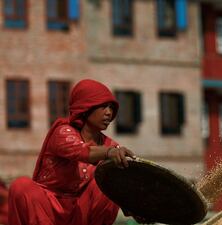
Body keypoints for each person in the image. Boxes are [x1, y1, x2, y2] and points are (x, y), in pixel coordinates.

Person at [8, 79, 135, 225]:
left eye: (111, 108)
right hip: (48, 210)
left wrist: (138, 208)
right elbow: (81, 151)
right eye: (103, 107)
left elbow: (124, 188)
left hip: (79, 212)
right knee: (21, 185)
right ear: (86, 108)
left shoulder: (111, 147)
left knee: (107, 183)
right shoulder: (63, 132)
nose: (109, 112)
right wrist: (109, 153)